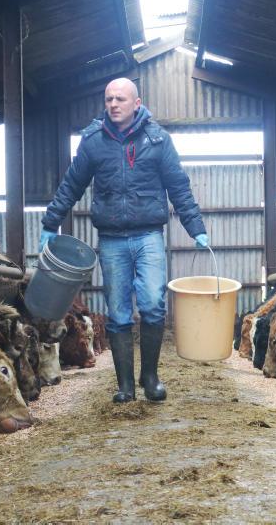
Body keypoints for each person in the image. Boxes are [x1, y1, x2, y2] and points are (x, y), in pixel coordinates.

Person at [39, 78, 208, 403]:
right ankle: (125, 386)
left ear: (136, 103)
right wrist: (51, 222)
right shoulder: (93, 141)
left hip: (149, 236)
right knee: (117, 313)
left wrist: (195, 227)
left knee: (153, 304)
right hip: (112, 239)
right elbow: (72, 184)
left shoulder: (157, 140)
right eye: (109, 99)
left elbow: (178, 186)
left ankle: (150, 377)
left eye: (120, 99)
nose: (113, 104)